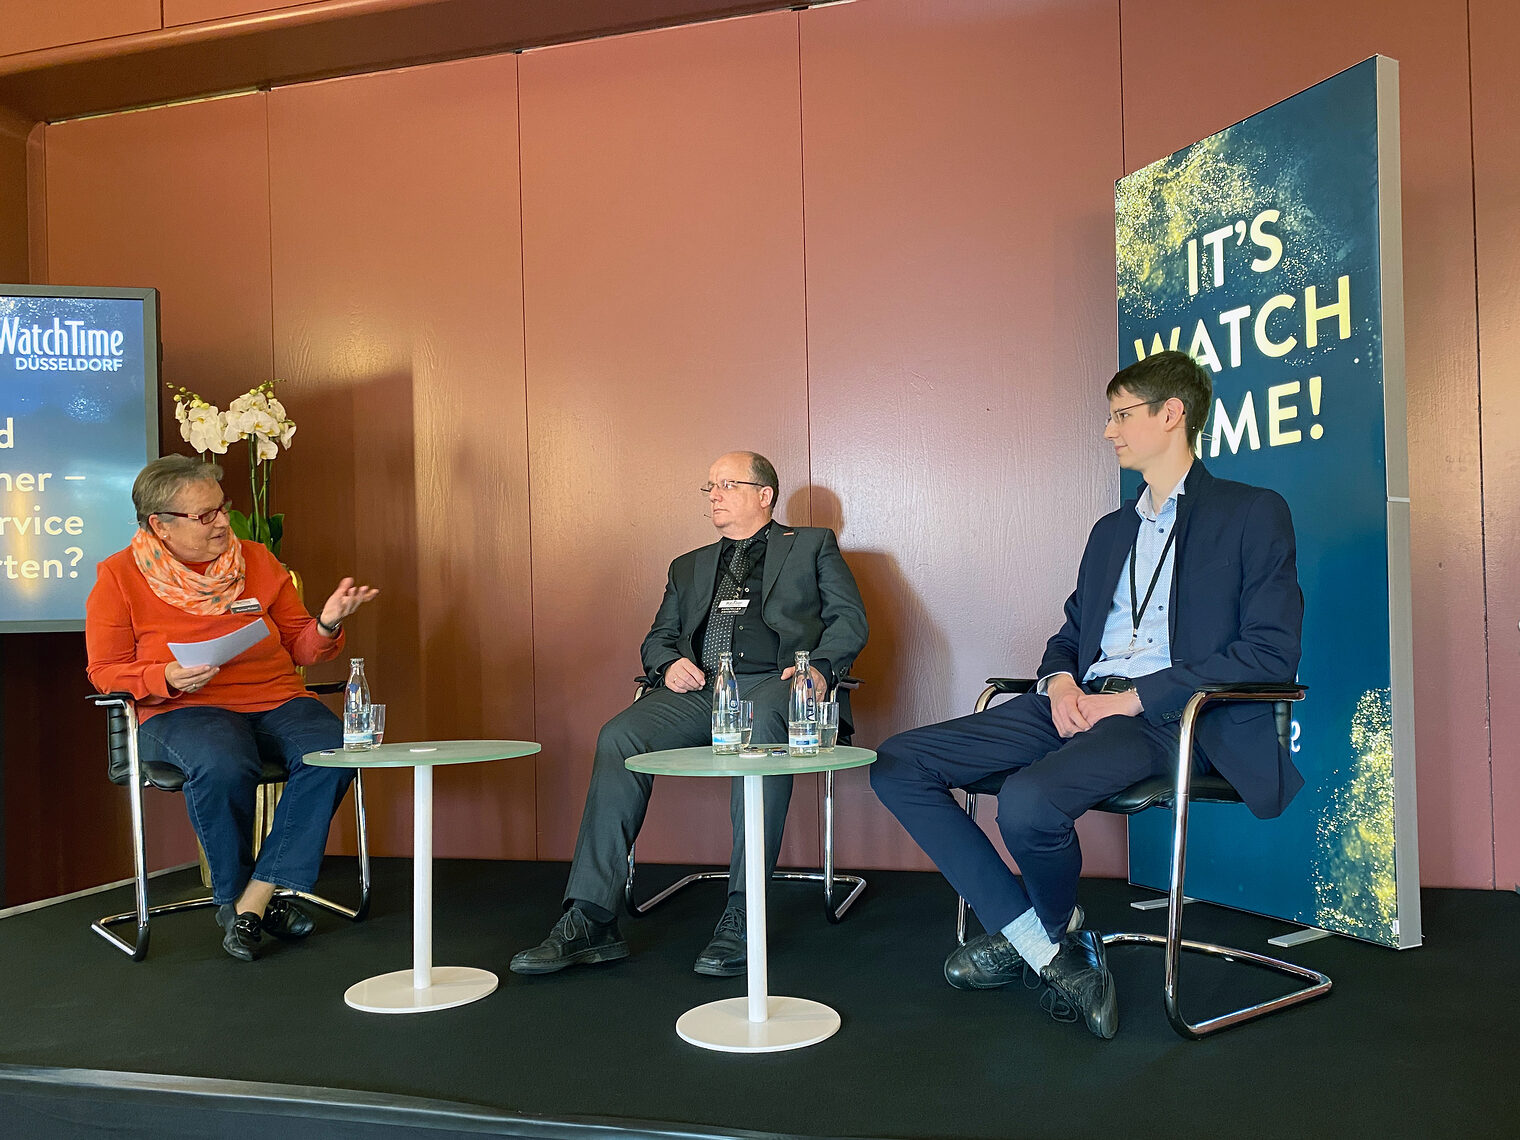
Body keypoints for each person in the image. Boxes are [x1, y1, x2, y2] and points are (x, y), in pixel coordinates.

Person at [870, 350, 1303, 1039]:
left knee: (1030, 800)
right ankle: (1051, 945)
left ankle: (1034, 938)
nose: (1109, 430)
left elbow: (1270, 652)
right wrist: (1062, 680)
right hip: (1078, 701)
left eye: (1122, 414)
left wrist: (1130, 701)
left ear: (1172, 414)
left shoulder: (1251, 513)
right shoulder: (1112, 531)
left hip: (1168, 716)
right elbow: (1071, 632)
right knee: (897, 763)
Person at [511, 451, 868, 978]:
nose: (714, 496)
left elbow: (849, 620)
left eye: (726, 485)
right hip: (706, 689)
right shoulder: (690, 564)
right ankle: (590, 917)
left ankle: (746, 909)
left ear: (764, 494)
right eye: (709, 487)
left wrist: (818, 669)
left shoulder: (812, 546)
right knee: (619, 735)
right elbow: (657, 637)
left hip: (781, 685)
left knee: (767, 717)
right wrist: (669, 662)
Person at [86, 454, 379, 962]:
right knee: (223, 762)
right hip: (181, 709)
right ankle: (248, 901)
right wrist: (166, 676)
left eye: (221, 509)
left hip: (276, 697)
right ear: (161, 525)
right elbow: (105, 670)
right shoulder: (118, 576)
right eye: (205, 516)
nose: (222, 522)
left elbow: (301, 647)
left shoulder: (257, 560)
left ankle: (252, 900)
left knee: (336, 748)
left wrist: (327, 623)